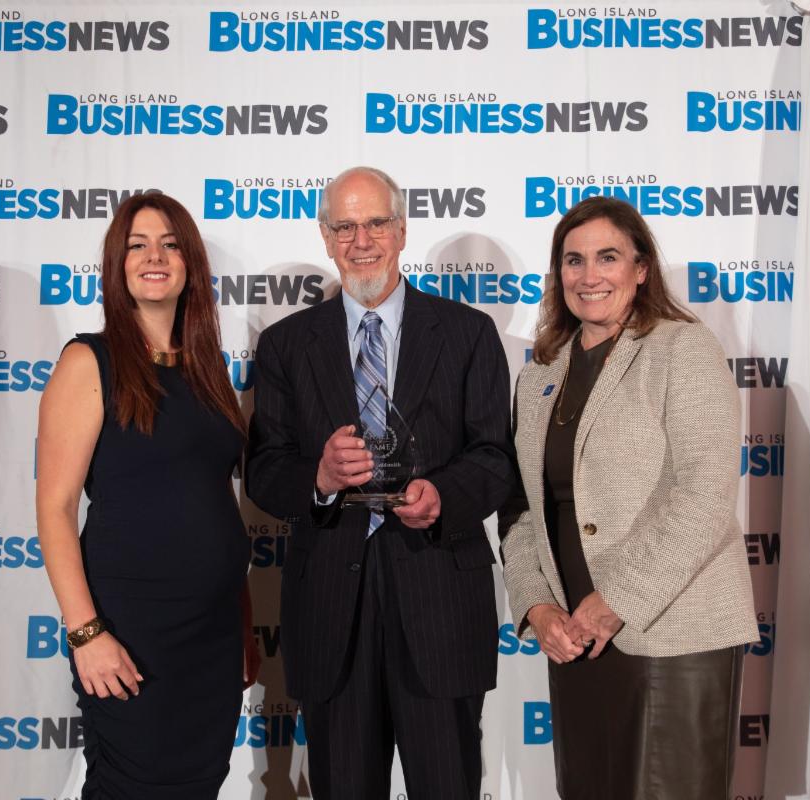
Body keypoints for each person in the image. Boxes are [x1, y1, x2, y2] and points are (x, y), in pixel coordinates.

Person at [245, 166, 516, 799]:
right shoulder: (286, 345)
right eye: (345, 225)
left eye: (375, 223)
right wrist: (317, 475)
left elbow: (495, 458)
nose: (360, 239)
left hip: (439, 598)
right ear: (326, 236)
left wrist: (444, 496)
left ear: (401, 231)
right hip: (329, 611)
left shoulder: (468, 332)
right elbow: (264, 468)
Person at [501, 196, 758, 799]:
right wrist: (537, 607)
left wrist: (613, 600)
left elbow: (704, 492)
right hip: (574, 641)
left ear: (641, 268)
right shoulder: (541, 372)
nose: (589, 277)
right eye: (573, 260)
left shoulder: (682, 349)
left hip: (673, 634)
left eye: (607, 257)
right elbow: (518, 506)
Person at [36, 192, 258, 799]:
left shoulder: (206, 370)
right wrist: (86, 634)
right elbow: (54, 510)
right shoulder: (90, 361)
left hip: (211, 638)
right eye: (137, 245)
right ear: (118, 265)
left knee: (198, 785)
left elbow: (213, 500)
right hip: (131, 632)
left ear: (190, 264)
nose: (154, 256)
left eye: (169, 244)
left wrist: (239, 625)